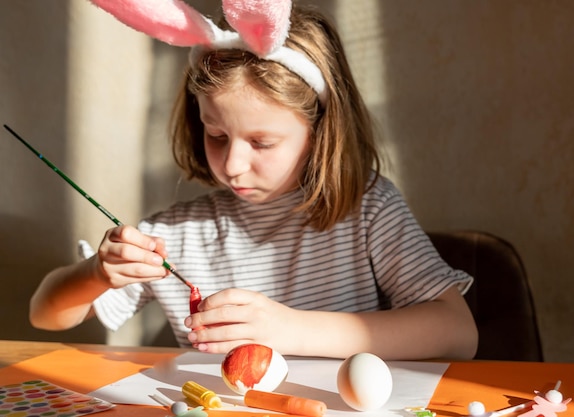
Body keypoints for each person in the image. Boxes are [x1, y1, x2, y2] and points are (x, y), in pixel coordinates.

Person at [29, 0, 478, 360]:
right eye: (217, 135)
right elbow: (45, 314)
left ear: (321, 132)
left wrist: (291, 330)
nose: (234, 164)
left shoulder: (369, 210)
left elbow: (458, 333)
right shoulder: (176, 235)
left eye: (262, 143)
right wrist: (97, 273)